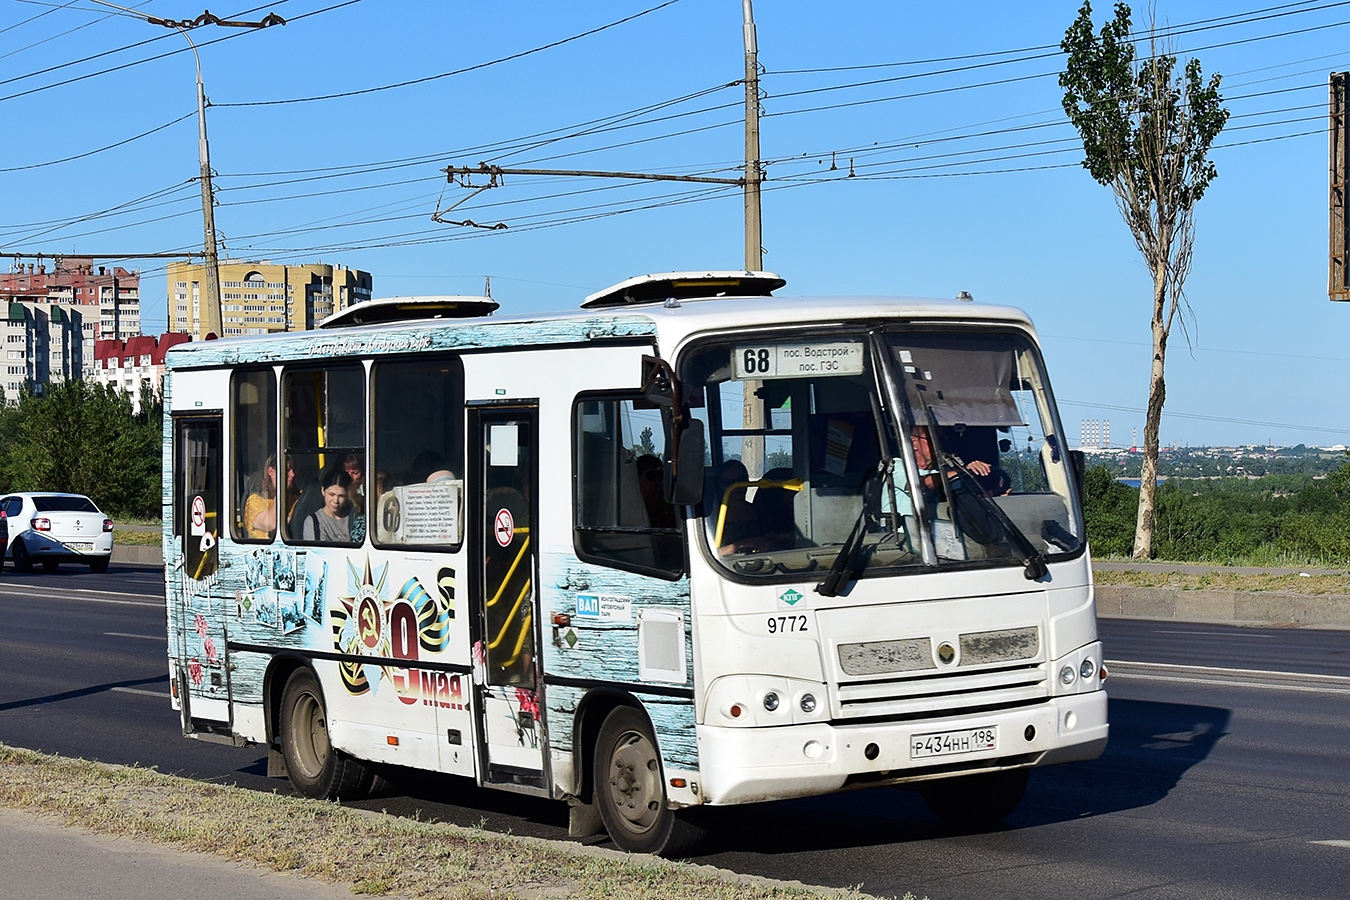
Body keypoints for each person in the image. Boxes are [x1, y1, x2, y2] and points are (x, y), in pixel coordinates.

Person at [302, 468, 353, 542]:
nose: (336, 501)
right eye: (331, 494)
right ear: (323, 491)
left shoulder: (354, 517)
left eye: (341, 496)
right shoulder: (314, 522)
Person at [244, 455, 278, 539]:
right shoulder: (254, 502)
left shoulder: (298, 498)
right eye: (287, 470)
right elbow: (271, 524)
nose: (292, 474)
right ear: (270, 472)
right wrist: (281, 491)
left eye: (294, 469)